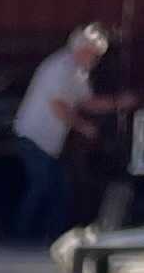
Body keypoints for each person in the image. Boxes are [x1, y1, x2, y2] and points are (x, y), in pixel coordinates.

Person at [13, 24, 110, 245]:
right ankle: (21, 238)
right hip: (33, 137)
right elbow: (59, 107)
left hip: (48, 142)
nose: (96, 59)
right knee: (44, 187)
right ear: (82, 49)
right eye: (94, 54)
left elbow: (88, 102)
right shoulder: (59, 67)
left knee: (57, 190)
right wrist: (84, 127)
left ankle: (49, 239)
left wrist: (119, 102)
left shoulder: (78, 71)